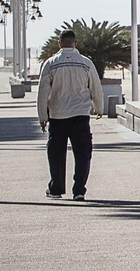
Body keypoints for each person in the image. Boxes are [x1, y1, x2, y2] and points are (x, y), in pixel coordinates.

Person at [36, 29, 103, 200]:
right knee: (83, 152)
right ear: (76, 43)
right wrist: (99, 107)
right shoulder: (85, 62)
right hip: (80, 114)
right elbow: (95, 86)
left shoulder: (50, 63)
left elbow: (43, 91)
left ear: (59, 44)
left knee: (56, 153)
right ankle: (79, 189)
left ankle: (56, 188)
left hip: (58, 115)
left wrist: (42, 116)